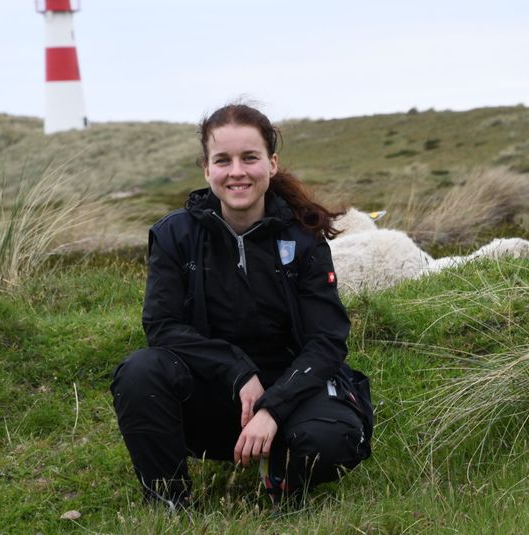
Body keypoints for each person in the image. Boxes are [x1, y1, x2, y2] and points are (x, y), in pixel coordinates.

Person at [110, 103, 372, 510]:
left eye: (250, 158)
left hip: (294, 389)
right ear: (206, 168)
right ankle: (168, 502)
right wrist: (236, 370)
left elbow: (327, 342)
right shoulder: (173, 235)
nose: (237, 171)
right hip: (215, 391)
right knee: (140, 372)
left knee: (331, 441)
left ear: (271, 164)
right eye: (223, 160)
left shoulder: (304, 239)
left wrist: (273, 406)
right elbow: (162, 327)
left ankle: (279, 470)